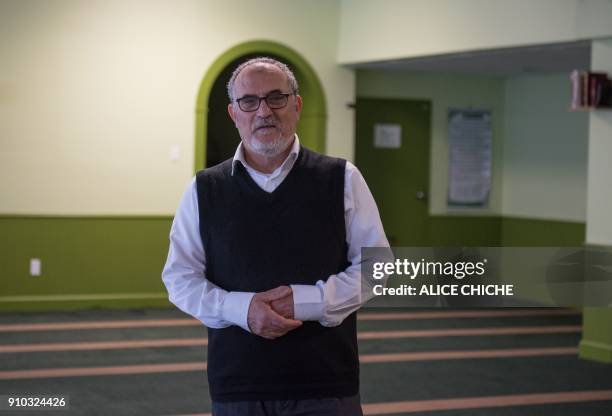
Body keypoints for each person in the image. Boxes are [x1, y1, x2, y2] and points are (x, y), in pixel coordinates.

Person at [162, 56, 388, 416]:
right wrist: (244, 310)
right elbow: (179, 278)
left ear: (296, 105)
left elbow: (377, 266)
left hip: (326, 383)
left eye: (276, 98)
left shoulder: (342, 178)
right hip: (238, 385)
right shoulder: (205, 189)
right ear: (234, 114)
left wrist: (309, 301)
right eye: (248, 102)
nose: (263, 111)